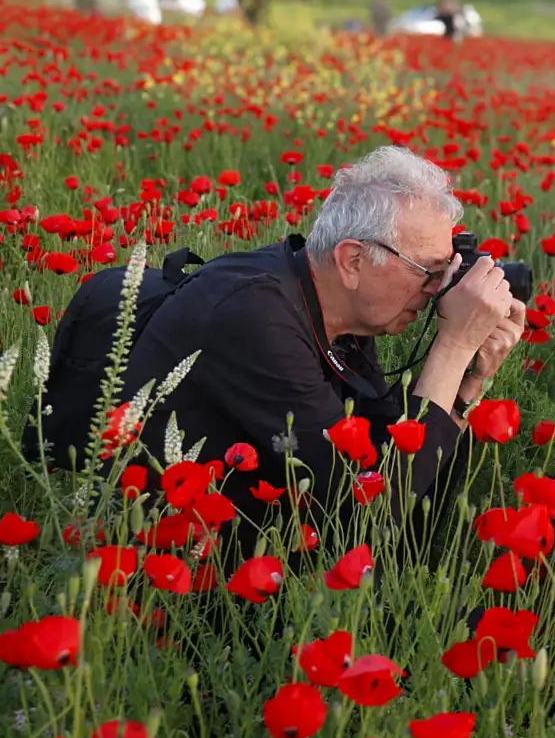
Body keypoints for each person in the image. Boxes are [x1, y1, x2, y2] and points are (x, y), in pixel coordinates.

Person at [117, 146, 526, 566]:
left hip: (260, 549)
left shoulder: (337, 311)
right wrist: (453, 347)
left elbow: (394, 491)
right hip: (178, 573)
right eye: (429, 271)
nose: (438, 289)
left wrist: (466, 385)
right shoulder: (254, 315)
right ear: (353, 260)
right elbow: (371, 512)